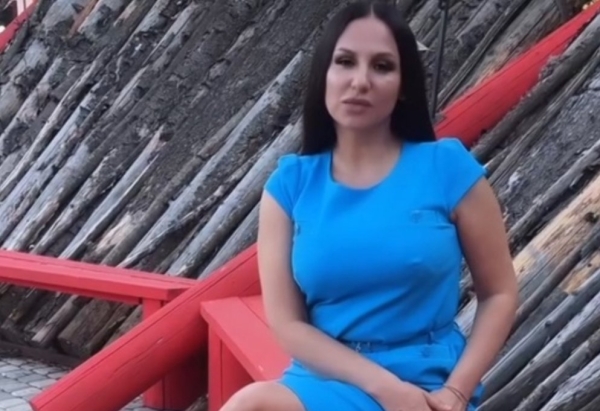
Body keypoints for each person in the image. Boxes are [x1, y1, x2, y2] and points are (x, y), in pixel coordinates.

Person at [221, 1, 518, 410]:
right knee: (251, 405)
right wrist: (384, 388)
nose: (360, 81)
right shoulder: (290, 187)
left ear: (404, 85)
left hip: (428, 382)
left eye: (382, 66)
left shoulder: (446, 169)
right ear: (324, 75)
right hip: (330, 379)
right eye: (345, 62)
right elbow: (288, 324)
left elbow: (499, 292)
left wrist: (455, 392)